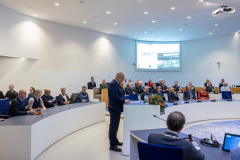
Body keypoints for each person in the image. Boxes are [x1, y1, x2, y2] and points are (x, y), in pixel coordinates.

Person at [108, 72, 130, 152]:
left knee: (116, 126)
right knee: (113, 126)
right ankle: (112, 145)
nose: (123, 79)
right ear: (118, 76)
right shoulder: (113, 84)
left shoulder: (117, 84)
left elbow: (120, 94)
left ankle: (115, 140)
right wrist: (124, 100)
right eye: (122, 78)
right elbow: (115, 97)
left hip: (117, 108)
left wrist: (125, 99)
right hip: (114, 108)